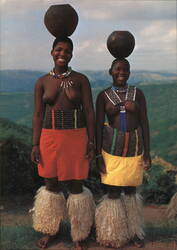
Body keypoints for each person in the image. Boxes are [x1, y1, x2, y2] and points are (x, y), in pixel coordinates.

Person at [31, 36, 95, 250]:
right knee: (51, 184)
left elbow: (89, 111)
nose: (62, 54)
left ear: (71, 54)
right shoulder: (42, 82)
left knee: (76, 185)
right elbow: (38, 115)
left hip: (76, 136)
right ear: (52, 52)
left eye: (67, 51)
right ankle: (51, 230)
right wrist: (35, 144)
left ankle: (79, 234)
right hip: (48, 137)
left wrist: (91, 140)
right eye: (59, 49)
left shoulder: (81, 80)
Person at [95, 58, 151, 248]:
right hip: (110, 150)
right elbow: (97, 126)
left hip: (134, 149)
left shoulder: (138, 94)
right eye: (118, 69)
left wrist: (147, 152)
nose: (122, 72)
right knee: (112, 192)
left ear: (130, 72)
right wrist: (97, 155)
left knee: (130, 191)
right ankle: (112, 234)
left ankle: (133, 232)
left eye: (125, 69)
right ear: (110, 71)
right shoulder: (103, 96)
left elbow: (144, 123)